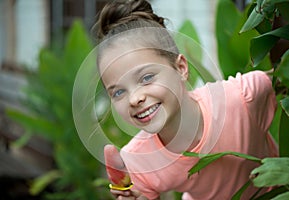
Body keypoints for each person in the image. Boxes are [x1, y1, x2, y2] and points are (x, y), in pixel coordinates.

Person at [95, 0, 278, 199]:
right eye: (118, 92)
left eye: (146, 78)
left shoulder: (244, 97)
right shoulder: (138, 161)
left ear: (181, 68)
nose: (134, 99)